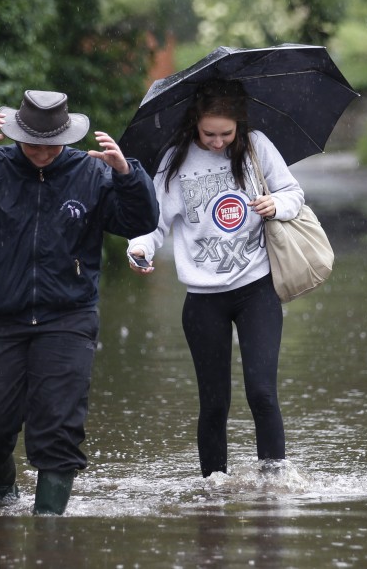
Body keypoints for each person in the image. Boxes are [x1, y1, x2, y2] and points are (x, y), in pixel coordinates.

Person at [0, 90, 159, 514]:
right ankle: (3, 495)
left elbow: (140, 221)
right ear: (15, 135)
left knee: (58, 429)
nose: (43, 153)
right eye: (34, 145)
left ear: (65, 138)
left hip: (68, 317)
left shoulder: (91, 173)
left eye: (52, 145)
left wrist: (126, 174)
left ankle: (49, 531)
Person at [126, 79, 305, 477]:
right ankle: (213, 488)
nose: (218, 142)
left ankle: (275, 484)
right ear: (195, 123)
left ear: (239, 125)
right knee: (214, 402)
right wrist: (139, 249)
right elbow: (153, 223)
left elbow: (294, 194)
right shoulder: (175, 159)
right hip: (203, 298)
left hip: (256, 288)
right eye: (209, 133)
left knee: (262, 392)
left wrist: (276, 203)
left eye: (227, 133)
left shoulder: (257, 146)